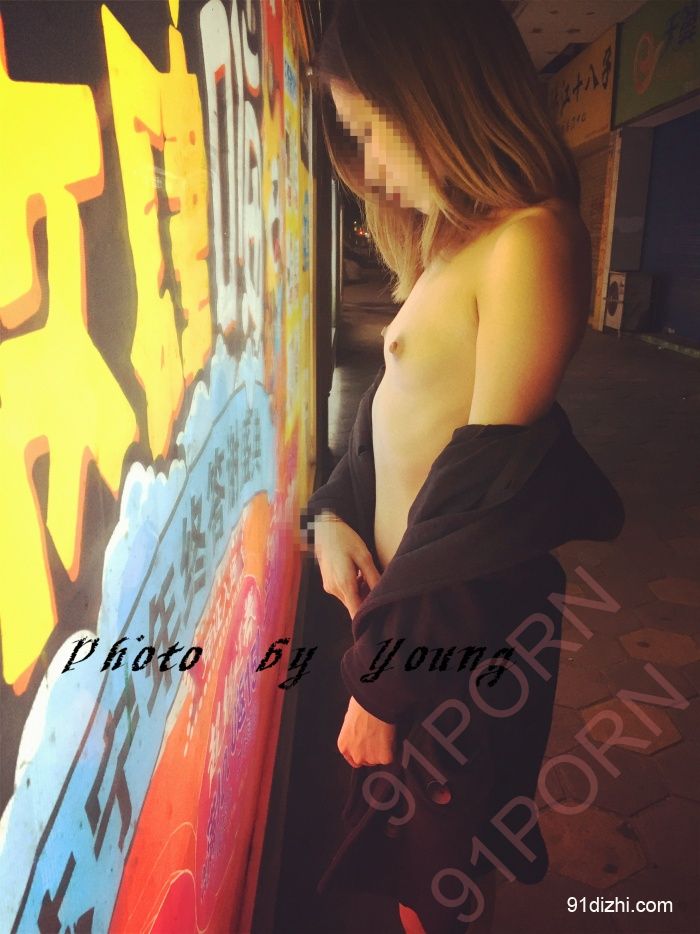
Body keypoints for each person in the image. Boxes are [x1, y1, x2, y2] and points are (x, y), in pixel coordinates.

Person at [302, 2, 623, 932]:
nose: (370, 165)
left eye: (373, 129)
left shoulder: (532, 240)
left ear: (436, 93)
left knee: (435, 887)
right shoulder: (457, 240)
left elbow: (490, 505)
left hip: (450, 642)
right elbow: (396, 422)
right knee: (413, 865)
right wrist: (330, 515)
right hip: (414, 627)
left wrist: (384, 687)